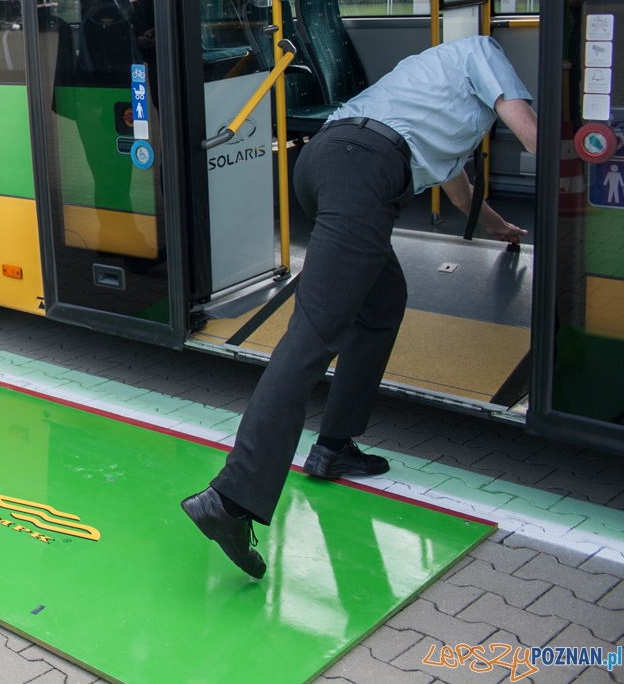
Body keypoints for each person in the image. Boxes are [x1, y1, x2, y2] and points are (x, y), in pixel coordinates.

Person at [182, 35, 538, 579]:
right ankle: (230, 498)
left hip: (327, 163)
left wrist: (499, 227)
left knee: (383, 302)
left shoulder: (434, 80)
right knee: (312, 336)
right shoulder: (486, 54)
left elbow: (460, 190)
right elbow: (531, 133)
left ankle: (333, 446)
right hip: (362, 172)